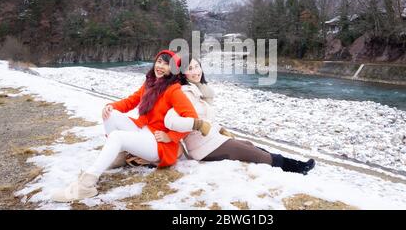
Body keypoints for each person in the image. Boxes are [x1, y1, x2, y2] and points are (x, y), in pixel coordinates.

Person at [51, 50, 198, 202]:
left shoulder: (174, 90)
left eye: (167, 64)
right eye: (159, 61)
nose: (160, 66)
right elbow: (131, 101)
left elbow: (192, 119)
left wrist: (170, 136)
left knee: (117, 136)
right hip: (144, 131)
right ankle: (118, 156)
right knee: (111, 114)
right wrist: (111, 106)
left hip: (158, 144)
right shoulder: (150, 82)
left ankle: (86, 186)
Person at [164, 55, 316, 175]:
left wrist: (220, 129)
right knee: (257, 155)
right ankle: (297, 167)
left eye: (197, 66)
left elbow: (206, 118)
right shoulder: (185, 93)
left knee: (249, 145)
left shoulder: (201, 91)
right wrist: (197, 124)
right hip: (202, 147)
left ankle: (292, 164)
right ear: (183, 73)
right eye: (190, 68)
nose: (196, 71)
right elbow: (170, 120)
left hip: (212, 139)